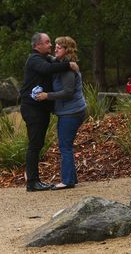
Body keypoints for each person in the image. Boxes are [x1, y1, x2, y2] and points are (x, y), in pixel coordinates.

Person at [20, 33, 78, 192]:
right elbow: (47, 69)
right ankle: (32, 182)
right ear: (37, 46)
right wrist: (69, 65)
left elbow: (54, 62)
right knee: (35, 144)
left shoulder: (45, 58)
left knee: (38, 144)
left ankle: (34, 179)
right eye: (47, 42)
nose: (50, 45)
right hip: (32, 109)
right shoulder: (34, 60)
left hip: (41, 109)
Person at [36, 36, 86, 190]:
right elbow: (51, 59)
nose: (55, 48)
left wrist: (47, 96)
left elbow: (68, 92)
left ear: (67, 50)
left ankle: (67, 180)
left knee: (65, 146)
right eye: (55, 45)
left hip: (72, 112)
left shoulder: (67, 70)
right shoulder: (61, 63)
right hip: (68, 111)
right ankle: (71, 178)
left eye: (59, 46)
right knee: (66, 145)